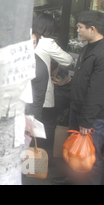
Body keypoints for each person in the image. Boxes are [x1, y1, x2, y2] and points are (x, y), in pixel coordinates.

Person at [53, 11, 104, 185]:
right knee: (75, 151)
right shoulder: (86, 48)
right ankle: (73, 179)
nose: (78, 31)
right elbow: (83, 79)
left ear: (92, 28)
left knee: (91, 155)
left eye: (80, 27)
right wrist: (67, 82)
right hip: (78, 109)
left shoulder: (101, 53)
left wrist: (87, 121)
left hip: (93, 117)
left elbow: (97, 91)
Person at [32, 13, 72, 157]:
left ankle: (28, 159)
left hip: (26, 93)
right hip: (42, 94)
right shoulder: (47, 42)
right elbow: (68, 60)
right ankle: (41, 159)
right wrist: (59, 67)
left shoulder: (28, 39)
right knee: (44, 126)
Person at [25, 33, 50, 122]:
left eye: (34, 42)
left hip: (25, 114)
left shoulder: (40, 67)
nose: (30, 45)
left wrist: (33, 121)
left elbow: (38, 99)